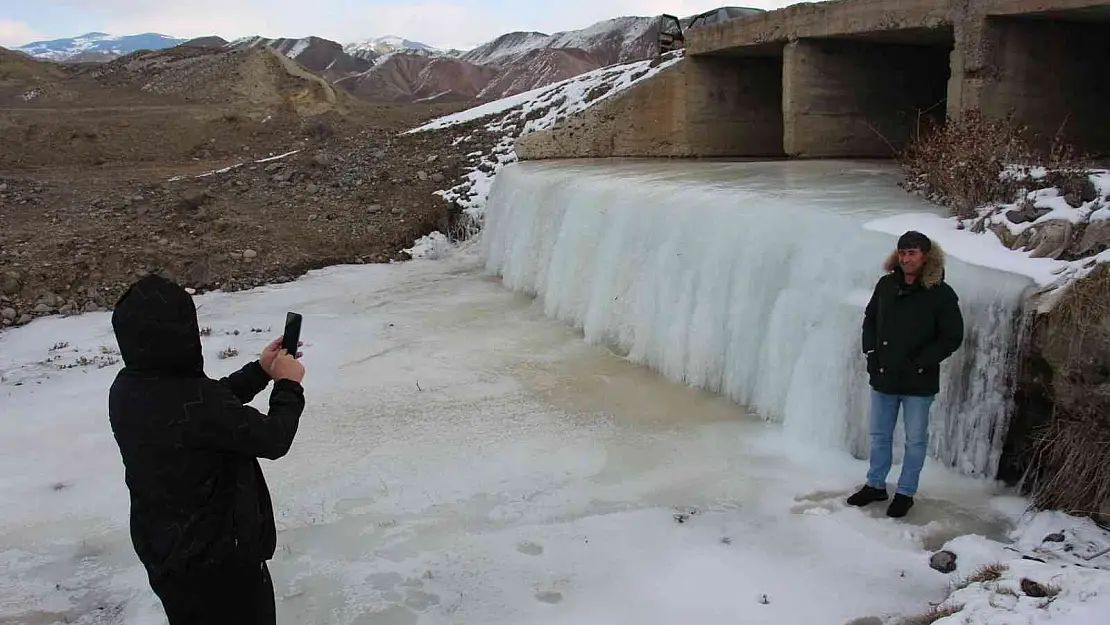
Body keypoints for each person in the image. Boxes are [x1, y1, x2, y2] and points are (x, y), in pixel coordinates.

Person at [107, 274, 306, 625]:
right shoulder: (197, 403)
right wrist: (288, 385)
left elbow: (206, 407)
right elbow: (273, 438)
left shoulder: (127, 389)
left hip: (167, 558)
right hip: (223, 568)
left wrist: (260, 372)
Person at [847, 231, 964, 518]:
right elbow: (870, 320)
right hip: (884, 374)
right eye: (902, 252)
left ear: (926, 256)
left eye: (912, 253)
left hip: (918, 379)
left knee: (915, 440)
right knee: (879, 435)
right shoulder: (887, 285)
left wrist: (922, 361)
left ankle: (905, 492)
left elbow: (952, 336)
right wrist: (871, 355)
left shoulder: (940, 293)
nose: (906, 258)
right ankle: (875, 484)